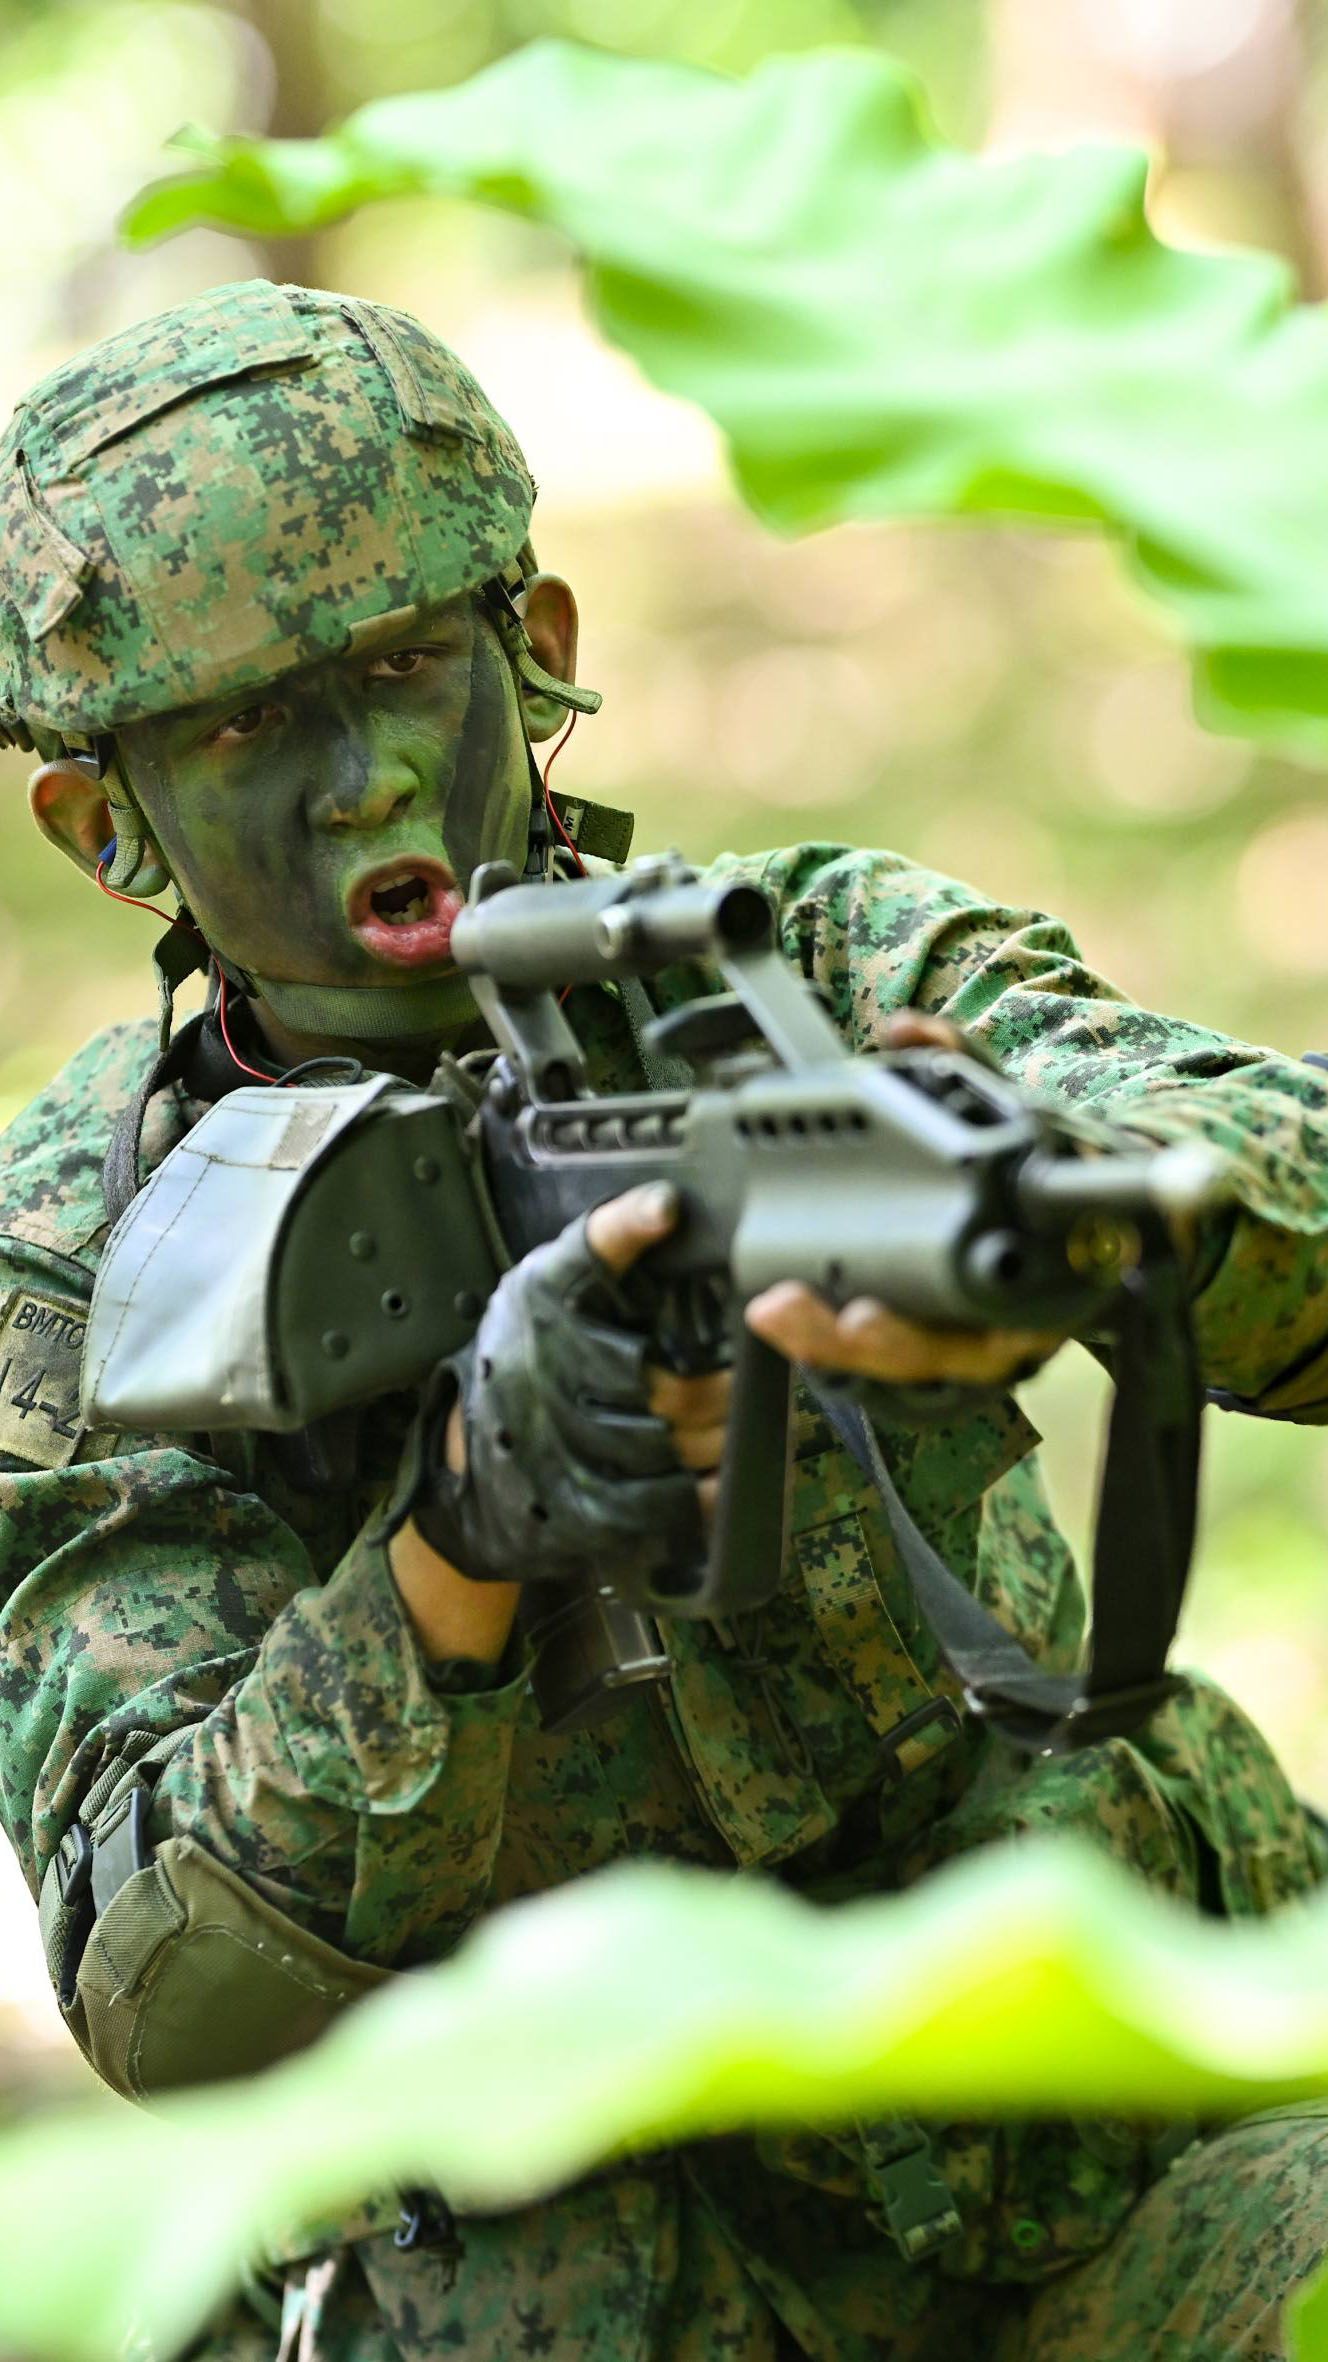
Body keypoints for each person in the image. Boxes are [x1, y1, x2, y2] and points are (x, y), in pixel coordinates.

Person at [0, 279, 1326, 2362]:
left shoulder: (805, 965)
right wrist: (454, 1544)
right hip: (583, 2295)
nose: (360, 782)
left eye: (404, 667)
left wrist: (1053, 1218)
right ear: (102, 823)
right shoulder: (78, 1258)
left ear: (537, 650)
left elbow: (1260, 1150)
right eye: (249, 727)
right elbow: (175, 1998)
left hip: (1103, 2154)